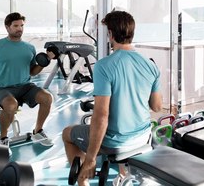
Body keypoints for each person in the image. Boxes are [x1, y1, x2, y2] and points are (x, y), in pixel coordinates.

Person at [62, 10, 162, 186]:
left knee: (67, 134)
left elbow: (101, 116)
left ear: (110, 34)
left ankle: (83, 183)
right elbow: (156, 106)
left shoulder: (104, 66)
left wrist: (91, 159)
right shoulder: (151, 65)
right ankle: (124, 174)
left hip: (116, 142)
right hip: (142, 137)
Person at [0, 12, 54, 148]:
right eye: (16, 26)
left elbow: (33, 71)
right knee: (11, 105)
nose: (19, 29)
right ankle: (3, 138)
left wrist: (45, 62)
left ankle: (38, 130)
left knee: (47, 98)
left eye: (21, 25)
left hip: (26, 86)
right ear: (7, 27)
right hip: (2, 88)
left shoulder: (29, 48)